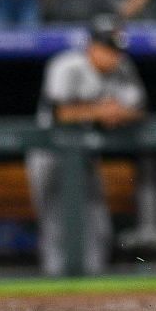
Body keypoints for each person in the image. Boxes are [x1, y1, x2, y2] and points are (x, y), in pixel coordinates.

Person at [28, 16, 146, 277]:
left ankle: (93, 285)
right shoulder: (67, 65)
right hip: (51, 153)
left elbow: (139, 109)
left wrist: (115, 113)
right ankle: (57, 282)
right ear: (91, 46)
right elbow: (60, 113)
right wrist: (99, 111)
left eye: (116, 49)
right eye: (107, 48)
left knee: (97, 222)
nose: (113, 56)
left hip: (84, 155)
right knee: (55, 222)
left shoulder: (123, 67)